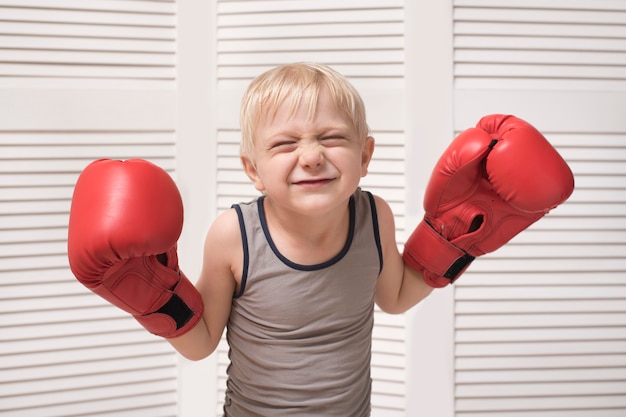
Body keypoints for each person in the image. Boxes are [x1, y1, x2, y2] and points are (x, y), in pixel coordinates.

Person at [67, 63, 574, 416]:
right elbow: (201, 344)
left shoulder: (373, 216)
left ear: (365, 155)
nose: (311, 156)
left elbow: (395, 298)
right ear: (254, 170)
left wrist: (459, 238)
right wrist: (148, 294)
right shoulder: (234, 236)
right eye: (285, 144)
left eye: (331, 138)